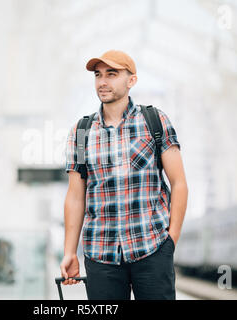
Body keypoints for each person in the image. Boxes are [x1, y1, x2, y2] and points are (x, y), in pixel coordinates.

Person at [60, 50, 188, 300]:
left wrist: (170, 241)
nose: (102, 82)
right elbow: (75, 196)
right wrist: (69, 251)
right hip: (101, 255)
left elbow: (179, 183)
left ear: (131, 81)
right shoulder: (82, 131)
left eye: (111, 74)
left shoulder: (155, 121)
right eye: (98, 75)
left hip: (151, 249)